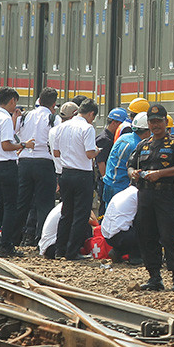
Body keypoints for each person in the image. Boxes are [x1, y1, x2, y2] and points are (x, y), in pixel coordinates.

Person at [127, 103, 174, 291]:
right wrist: (133, 173)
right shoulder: (143, 145)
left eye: (158, 121)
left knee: (169, 236)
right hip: (145, 194)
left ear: (165, 121)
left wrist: (160, 173)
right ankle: (154, 276)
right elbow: (130, 165)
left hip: (166, 194)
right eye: (152, 122)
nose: (155, 125)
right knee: (147, 235)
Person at [0, 87, 35, 258]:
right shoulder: (5, 119)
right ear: (13, 101)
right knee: (10, 208)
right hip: (7, 167)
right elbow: (6, 145)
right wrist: (24, 145)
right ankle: (6, 245)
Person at [52, 98, 98, 261]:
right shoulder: (88, 128)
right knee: (80, 214)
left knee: (66, 213)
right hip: (82, 175)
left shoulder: (62, 127)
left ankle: (60, 250)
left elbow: (56, 153)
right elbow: (89, 154)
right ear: (91, 113)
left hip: (65, 174)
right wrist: (97, 151)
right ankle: (72, 252)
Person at [15, 87, 58, 247]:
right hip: (45, 163)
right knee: (44, 204)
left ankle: (14, 238)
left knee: (21, 202)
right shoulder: (54, 119)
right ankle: (40, 239)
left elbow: (15, 132)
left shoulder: (26, 115)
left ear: (39, 100)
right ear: (53, 103)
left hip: (24, 162)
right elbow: (55, 140)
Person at [103, 105, 146, 206]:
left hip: (109, 183)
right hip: (121, 186)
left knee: (109, 214)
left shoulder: (124, 137)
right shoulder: (137, 145)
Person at [96, 107, 128, 213]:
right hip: (105, 181)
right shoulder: (104, 139)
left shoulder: (112, 137)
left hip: (108, 180)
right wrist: (106, 178)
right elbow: (101, 161)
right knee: (104, 209)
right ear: (114, 123)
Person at [102, 185, 141, 264]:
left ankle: (117, 252)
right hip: (121, 236)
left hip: (108, 236)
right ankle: (135, 257)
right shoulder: (137, 194)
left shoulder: (123, 193)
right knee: (146, 224)